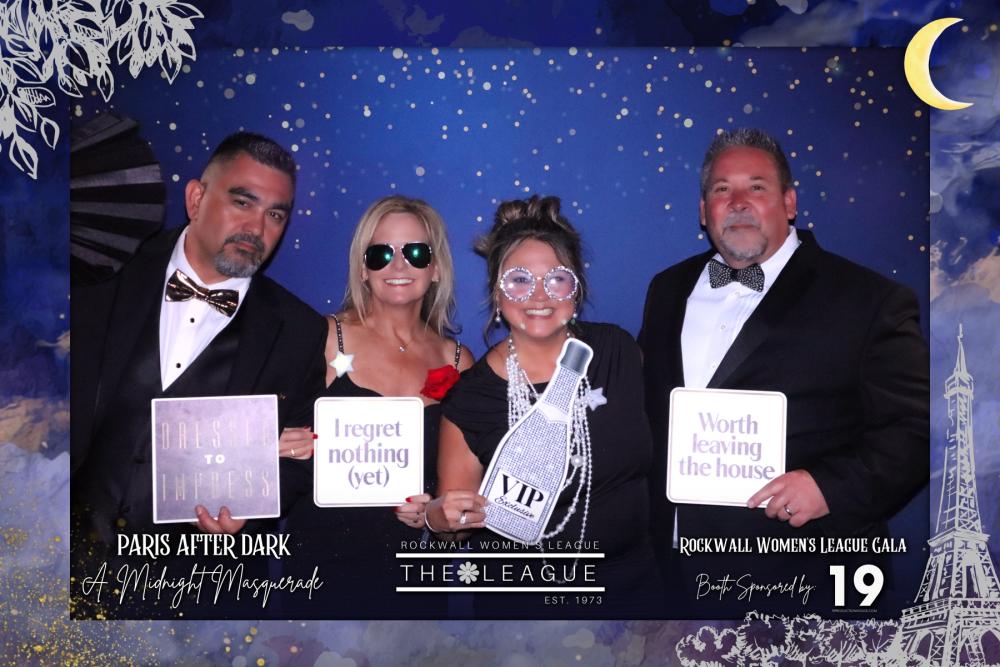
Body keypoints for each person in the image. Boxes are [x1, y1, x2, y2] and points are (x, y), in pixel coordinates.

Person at [638, 127, 929, 616]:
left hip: (809, 578)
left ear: (789, 203)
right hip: (678, 579)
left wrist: (829, 487)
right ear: (704, 210)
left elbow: (918, 430)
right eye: (722, 189)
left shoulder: (868, 299)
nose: (738, 202)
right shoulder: (667, 289)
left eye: (756, 187)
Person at [70, 132, 328, 618]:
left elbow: (301, 456)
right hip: (58, 568)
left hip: (198, 592)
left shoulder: (299, 330)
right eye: (242, 202)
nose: (257, 227)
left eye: (275, 214)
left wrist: (253, 510)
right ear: (195, 198)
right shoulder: (98, 273)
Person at [428, 195, 664, 618]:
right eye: (519, 279)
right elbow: (453, 530)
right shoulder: (471, 399)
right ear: (496, 294)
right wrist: (440, 519)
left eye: (557, 279)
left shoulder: (619, 352)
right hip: (526, 608)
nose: (539, 294)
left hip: (634, 593)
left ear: (576, 289)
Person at [276, 195, 473, 618]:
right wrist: (278, 446)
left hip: (415, 584)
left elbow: (458, 504)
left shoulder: (458, 362)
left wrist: (434, 516)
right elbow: (256, 445)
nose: (398, 265)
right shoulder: (324, 339)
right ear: (363, 269)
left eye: (415, 253)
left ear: (436, 267)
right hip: (320, 575)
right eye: (381, 253)